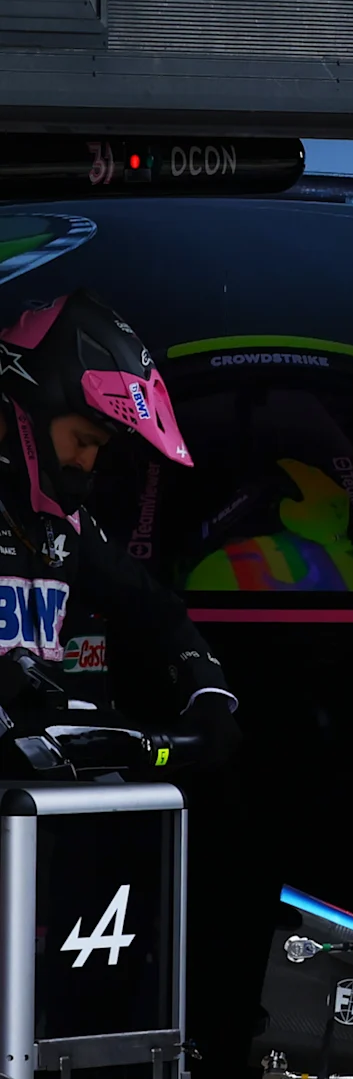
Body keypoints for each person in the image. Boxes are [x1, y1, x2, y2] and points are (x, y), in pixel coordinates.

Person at [0, 293, 239, 763]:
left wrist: (207, 694)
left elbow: (155, 611)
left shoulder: (64, 523)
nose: (88, 462)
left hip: (35, 793)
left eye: (99, 447)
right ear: (32, 404)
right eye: (85, 440)